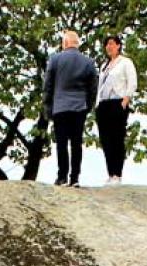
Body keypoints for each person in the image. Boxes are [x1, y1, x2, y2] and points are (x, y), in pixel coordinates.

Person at [43, 31, 98, 187]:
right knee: (76, 143)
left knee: (61, 143)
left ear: (65, 43)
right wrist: (88, 105)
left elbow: (47, 85)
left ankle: (61, 177)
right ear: (77, 43)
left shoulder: (55, 60)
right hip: (79, 107)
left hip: (59, 107)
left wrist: (48, 106)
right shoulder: (88, 62)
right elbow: (93, 87)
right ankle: (75, 178)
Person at [95, 35, 137, 185]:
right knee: (105, 140)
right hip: (104, 104)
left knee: (117, 138)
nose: (109, 47)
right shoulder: (104, 66)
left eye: (112, 44)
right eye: (107, 44)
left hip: (118, 102)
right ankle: (110, 172)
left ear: (118, 45)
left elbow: (132, 82)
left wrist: (126, 100)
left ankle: (117, 174)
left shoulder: (125, 62)